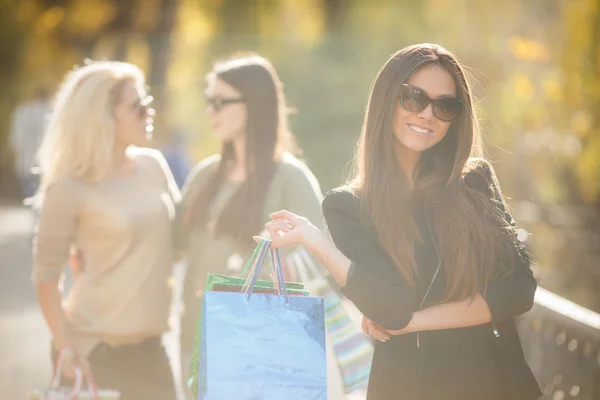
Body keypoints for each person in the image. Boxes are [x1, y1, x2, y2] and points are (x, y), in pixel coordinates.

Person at [261, 44, 542, 400]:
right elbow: (389, 307)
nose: (427, 114)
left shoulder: (475, 181)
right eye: (413, 98)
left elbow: (519, 290)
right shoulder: (348, 206)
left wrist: (415, 321)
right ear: (387, 100)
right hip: (409, 385)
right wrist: (319, 244)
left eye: (444, 106)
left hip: (494, 382)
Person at [174, 54, 331, 392]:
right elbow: (172, 246)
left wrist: (279, 255)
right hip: (195, 340)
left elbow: (320, 265)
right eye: (207, 101)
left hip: (264, 348)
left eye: (219, 102)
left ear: (254, 105)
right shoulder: (204, 176)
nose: (209, 112)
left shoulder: (291, 178)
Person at [33, 61, 179, 400]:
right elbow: (45, 278)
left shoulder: (154, 165)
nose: (149, 112)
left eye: (148, 103)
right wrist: (65, 345)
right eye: (136, 107)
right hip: (94, 353)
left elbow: (181, 234)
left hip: (152, 350)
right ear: (102, 117)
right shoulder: (68, 188)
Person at [9, 87, 50, 200]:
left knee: (30, 192)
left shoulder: (22, 111)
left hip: (25, 161)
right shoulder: (49, 111)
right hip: (45, 162)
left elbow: (16, 139)